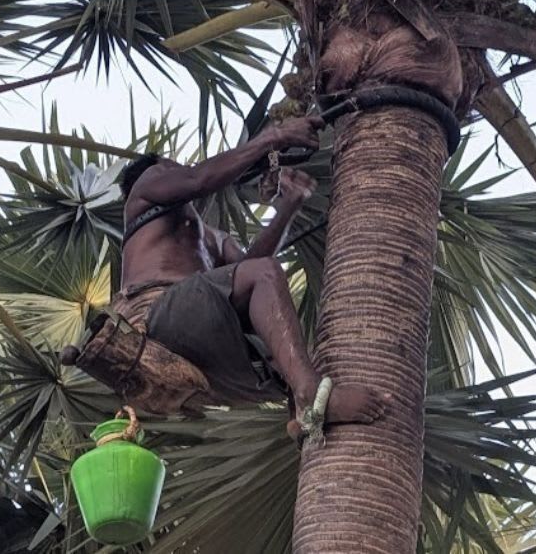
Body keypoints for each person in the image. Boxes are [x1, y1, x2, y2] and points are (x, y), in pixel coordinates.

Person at [116, 116, 387, 434]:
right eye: (173, 167)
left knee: (283, 343)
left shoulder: (212, 238)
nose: (178, 170)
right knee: (264, 276)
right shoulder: (148, 183)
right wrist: (272, 137)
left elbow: (250, 274)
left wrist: (288, 207)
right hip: (154, 316)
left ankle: (302, 413)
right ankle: (311, 394)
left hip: (203, 347)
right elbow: (197, 179)